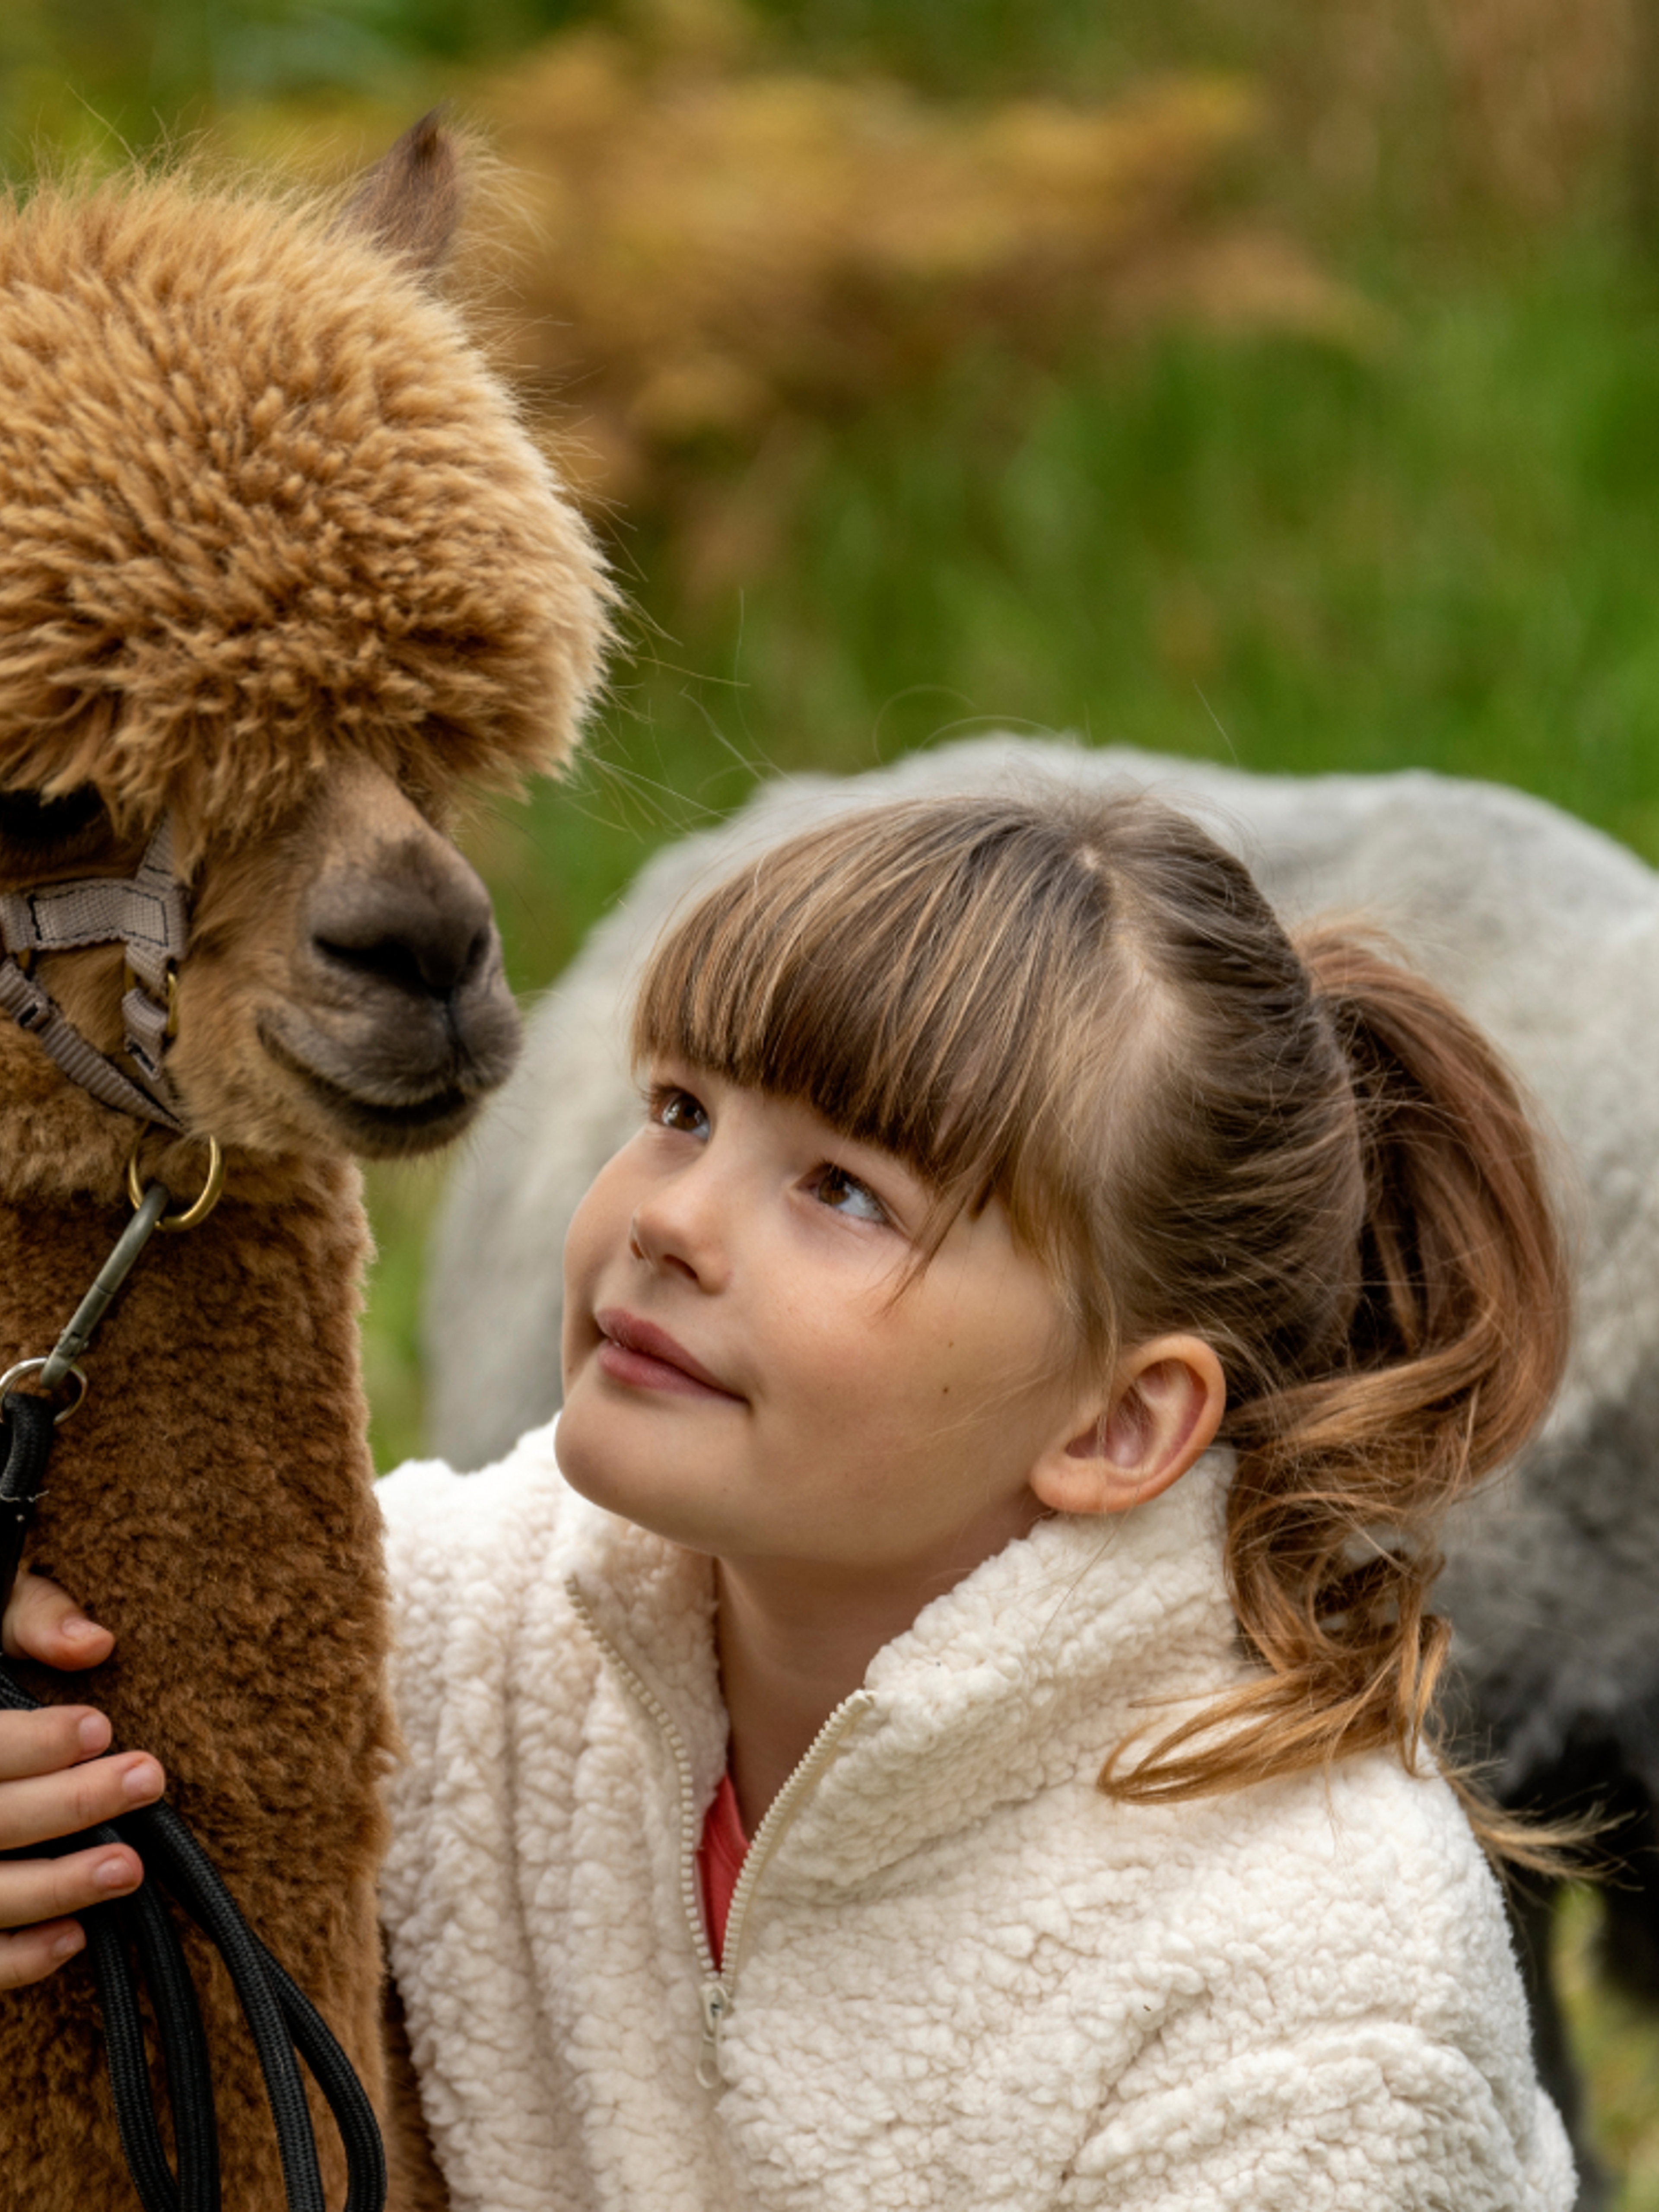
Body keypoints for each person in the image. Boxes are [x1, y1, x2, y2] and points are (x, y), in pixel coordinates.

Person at [0, 787, 1580, 2207]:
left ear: (1120, 1420)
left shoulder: (1313, 1987)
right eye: (681, 1110)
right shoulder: (467, 1634)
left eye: (843, 1193)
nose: (671, 1218)